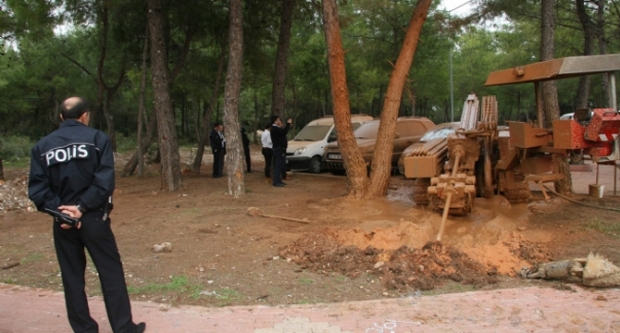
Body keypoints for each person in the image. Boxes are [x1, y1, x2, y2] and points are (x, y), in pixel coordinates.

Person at [28, 97, 145, 333]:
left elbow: (38, 191)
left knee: (72, 276)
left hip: (63, 222)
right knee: (110, 271)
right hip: (93, 218)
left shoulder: (42, 147)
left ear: (62, 117)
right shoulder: (97, 139)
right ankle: (124, 328)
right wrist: (81, 208)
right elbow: (104, 182)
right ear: (85, 115)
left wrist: (63, 212)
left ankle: (84, 328)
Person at [270, 115, 292, 187]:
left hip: (280, 149)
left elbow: (283, 132)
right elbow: (284, 132)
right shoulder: (274, 128)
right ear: (275, 121)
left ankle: (279, 180)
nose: (279, 121)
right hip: (278, 149)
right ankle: (276, 181)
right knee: (278, 165)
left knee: (281, 165)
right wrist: (288, 124)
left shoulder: (276, 128)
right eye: (278, 120)